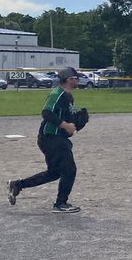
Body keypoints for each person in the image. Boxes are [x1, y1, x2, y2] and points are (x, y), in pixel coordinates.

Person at [7, 66, 83, 213]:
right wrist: (66, 125)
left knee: (55, 172)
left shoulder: (68, 96)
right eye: (75, 78)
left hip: (57, 138)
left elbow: (68, 119)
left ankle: (17, 185)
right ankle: (60, 204)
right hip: (51, 138)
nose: (78, 80)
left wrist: (76, 124)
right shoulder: (57, 94)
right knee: (69, 170)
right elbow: (47, 113)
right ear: (69, 79)